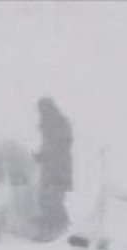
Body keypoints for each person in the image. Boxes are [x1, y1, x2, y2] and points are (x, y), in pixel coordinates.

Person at [35, 97, 73, 241]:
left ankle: (56, 230)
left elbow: (59, 148)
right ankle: (53, 229)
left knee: (52, 201)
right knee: (46, 200)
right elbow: (50, 147)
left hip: (58, 171)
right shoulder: (50, 124)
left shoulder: (57, 123)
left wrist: (45, 156)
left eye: (41, 109)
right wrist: (41, 156)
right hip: (52, 169)